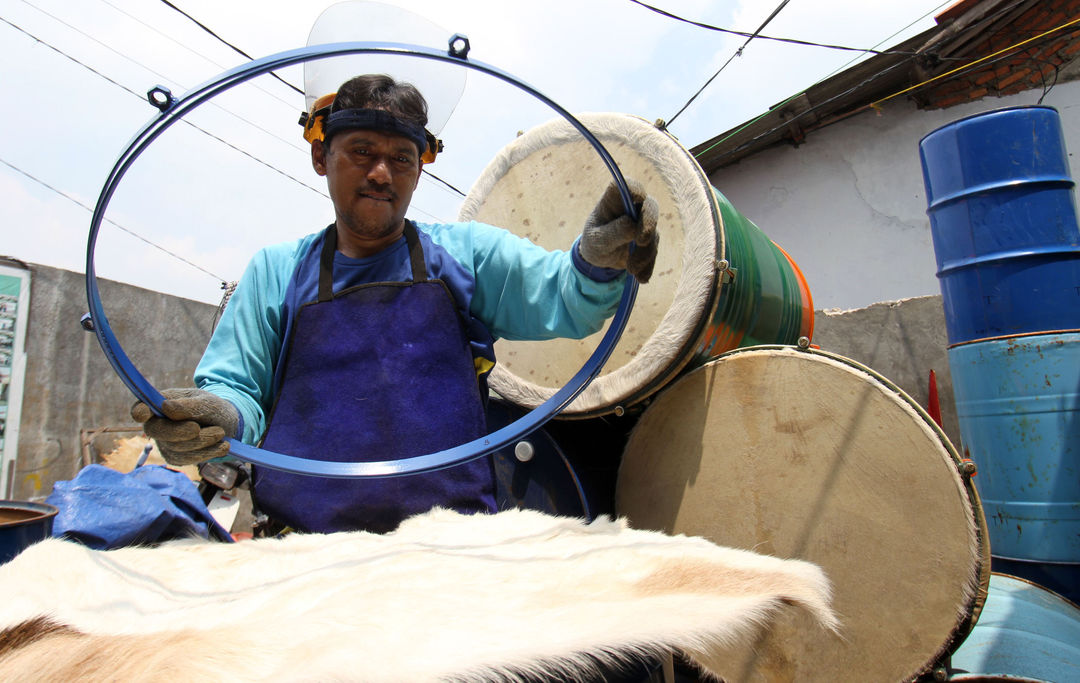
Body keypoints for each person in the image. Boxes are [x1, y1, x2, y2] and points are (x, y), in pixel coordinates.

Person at [132, 74, 658, 535]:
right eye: (362, 151)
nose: (382, 172)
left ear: (418, 168)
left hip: (454, 552)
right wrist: (220, 421)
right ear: (322, 157)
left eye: (401, 158)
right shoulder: (276, 271)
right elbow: (237, 390)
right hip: (301, 556)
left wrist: (597, 259)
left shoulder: (466, 255)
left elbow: (566, 299)